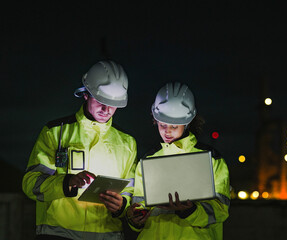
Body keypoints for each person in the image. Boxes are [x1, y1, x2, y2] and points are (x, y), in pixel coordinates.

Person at [22, 60, 137, 240]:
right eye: (101, 101)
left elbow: (131, 194)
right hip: (58, 234)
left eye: (113, 104)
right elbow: (31, 184)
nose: (107, 110)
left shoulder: (127, 143)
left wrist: (122, 205)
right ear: (86, 94)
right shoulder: (55, 132)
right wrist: (66, 182)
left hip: (108, 235)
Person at [127, 82, 230, 240]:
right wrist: (135, 218)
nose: (167, 131)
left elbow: (220, 210)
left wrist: (190, 210)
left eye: (174, 126)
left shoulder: (211, 159)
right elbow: (139, 206)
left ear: (187, 122)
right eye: (162, 125)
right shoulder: (148, 161)